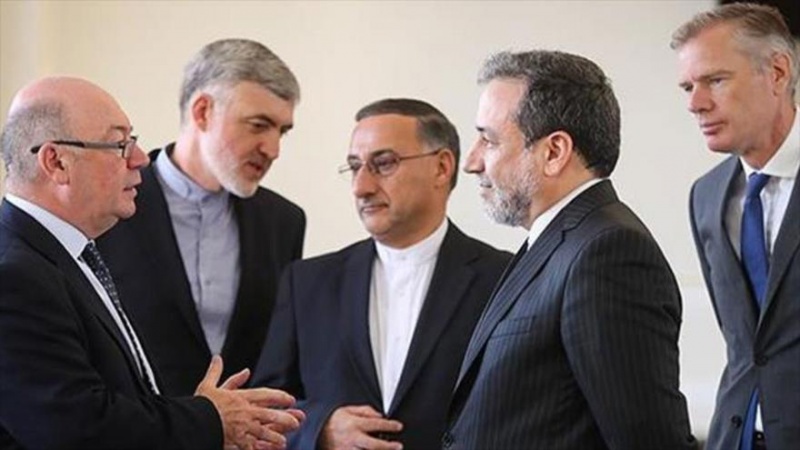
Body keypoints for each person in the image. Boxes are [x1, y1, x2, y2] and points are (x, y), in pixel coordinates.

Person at [0, 76, 303, 450]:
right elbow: (77, 428)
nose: (140, 158)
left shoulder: (65, 254)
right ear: (57, 162)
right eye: (119, 144)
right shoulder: (14, 276)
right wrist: (209, 419)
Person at [442, 50, 697, 450]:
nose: (472, 162)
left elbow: (648, 439)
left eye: (488, 140)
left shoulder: (608, 253)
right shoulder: (559, 241)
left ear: (554, 152)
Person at [252, 98, 511, 450]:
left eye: (384, 164)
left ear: (441, 167)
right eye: (354, 167)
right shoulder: (307, 283)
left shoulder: (504, 280)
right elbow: (264, 408)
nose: (361, 187)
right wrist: (320, 428)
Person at [97, 38, 306, 396]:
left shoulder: (284, 222)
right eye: (259, 125)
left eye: (282, 131)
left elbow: (280, 360)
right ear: (203, 112)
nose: (273, 149)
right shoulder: (105, 206)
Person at [672, 4, 800, 450]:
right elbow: (745, 345)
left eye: (715, 80)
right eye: (688, 87)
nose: (695, 103)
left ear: (778, 73)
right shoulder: (706, 196)